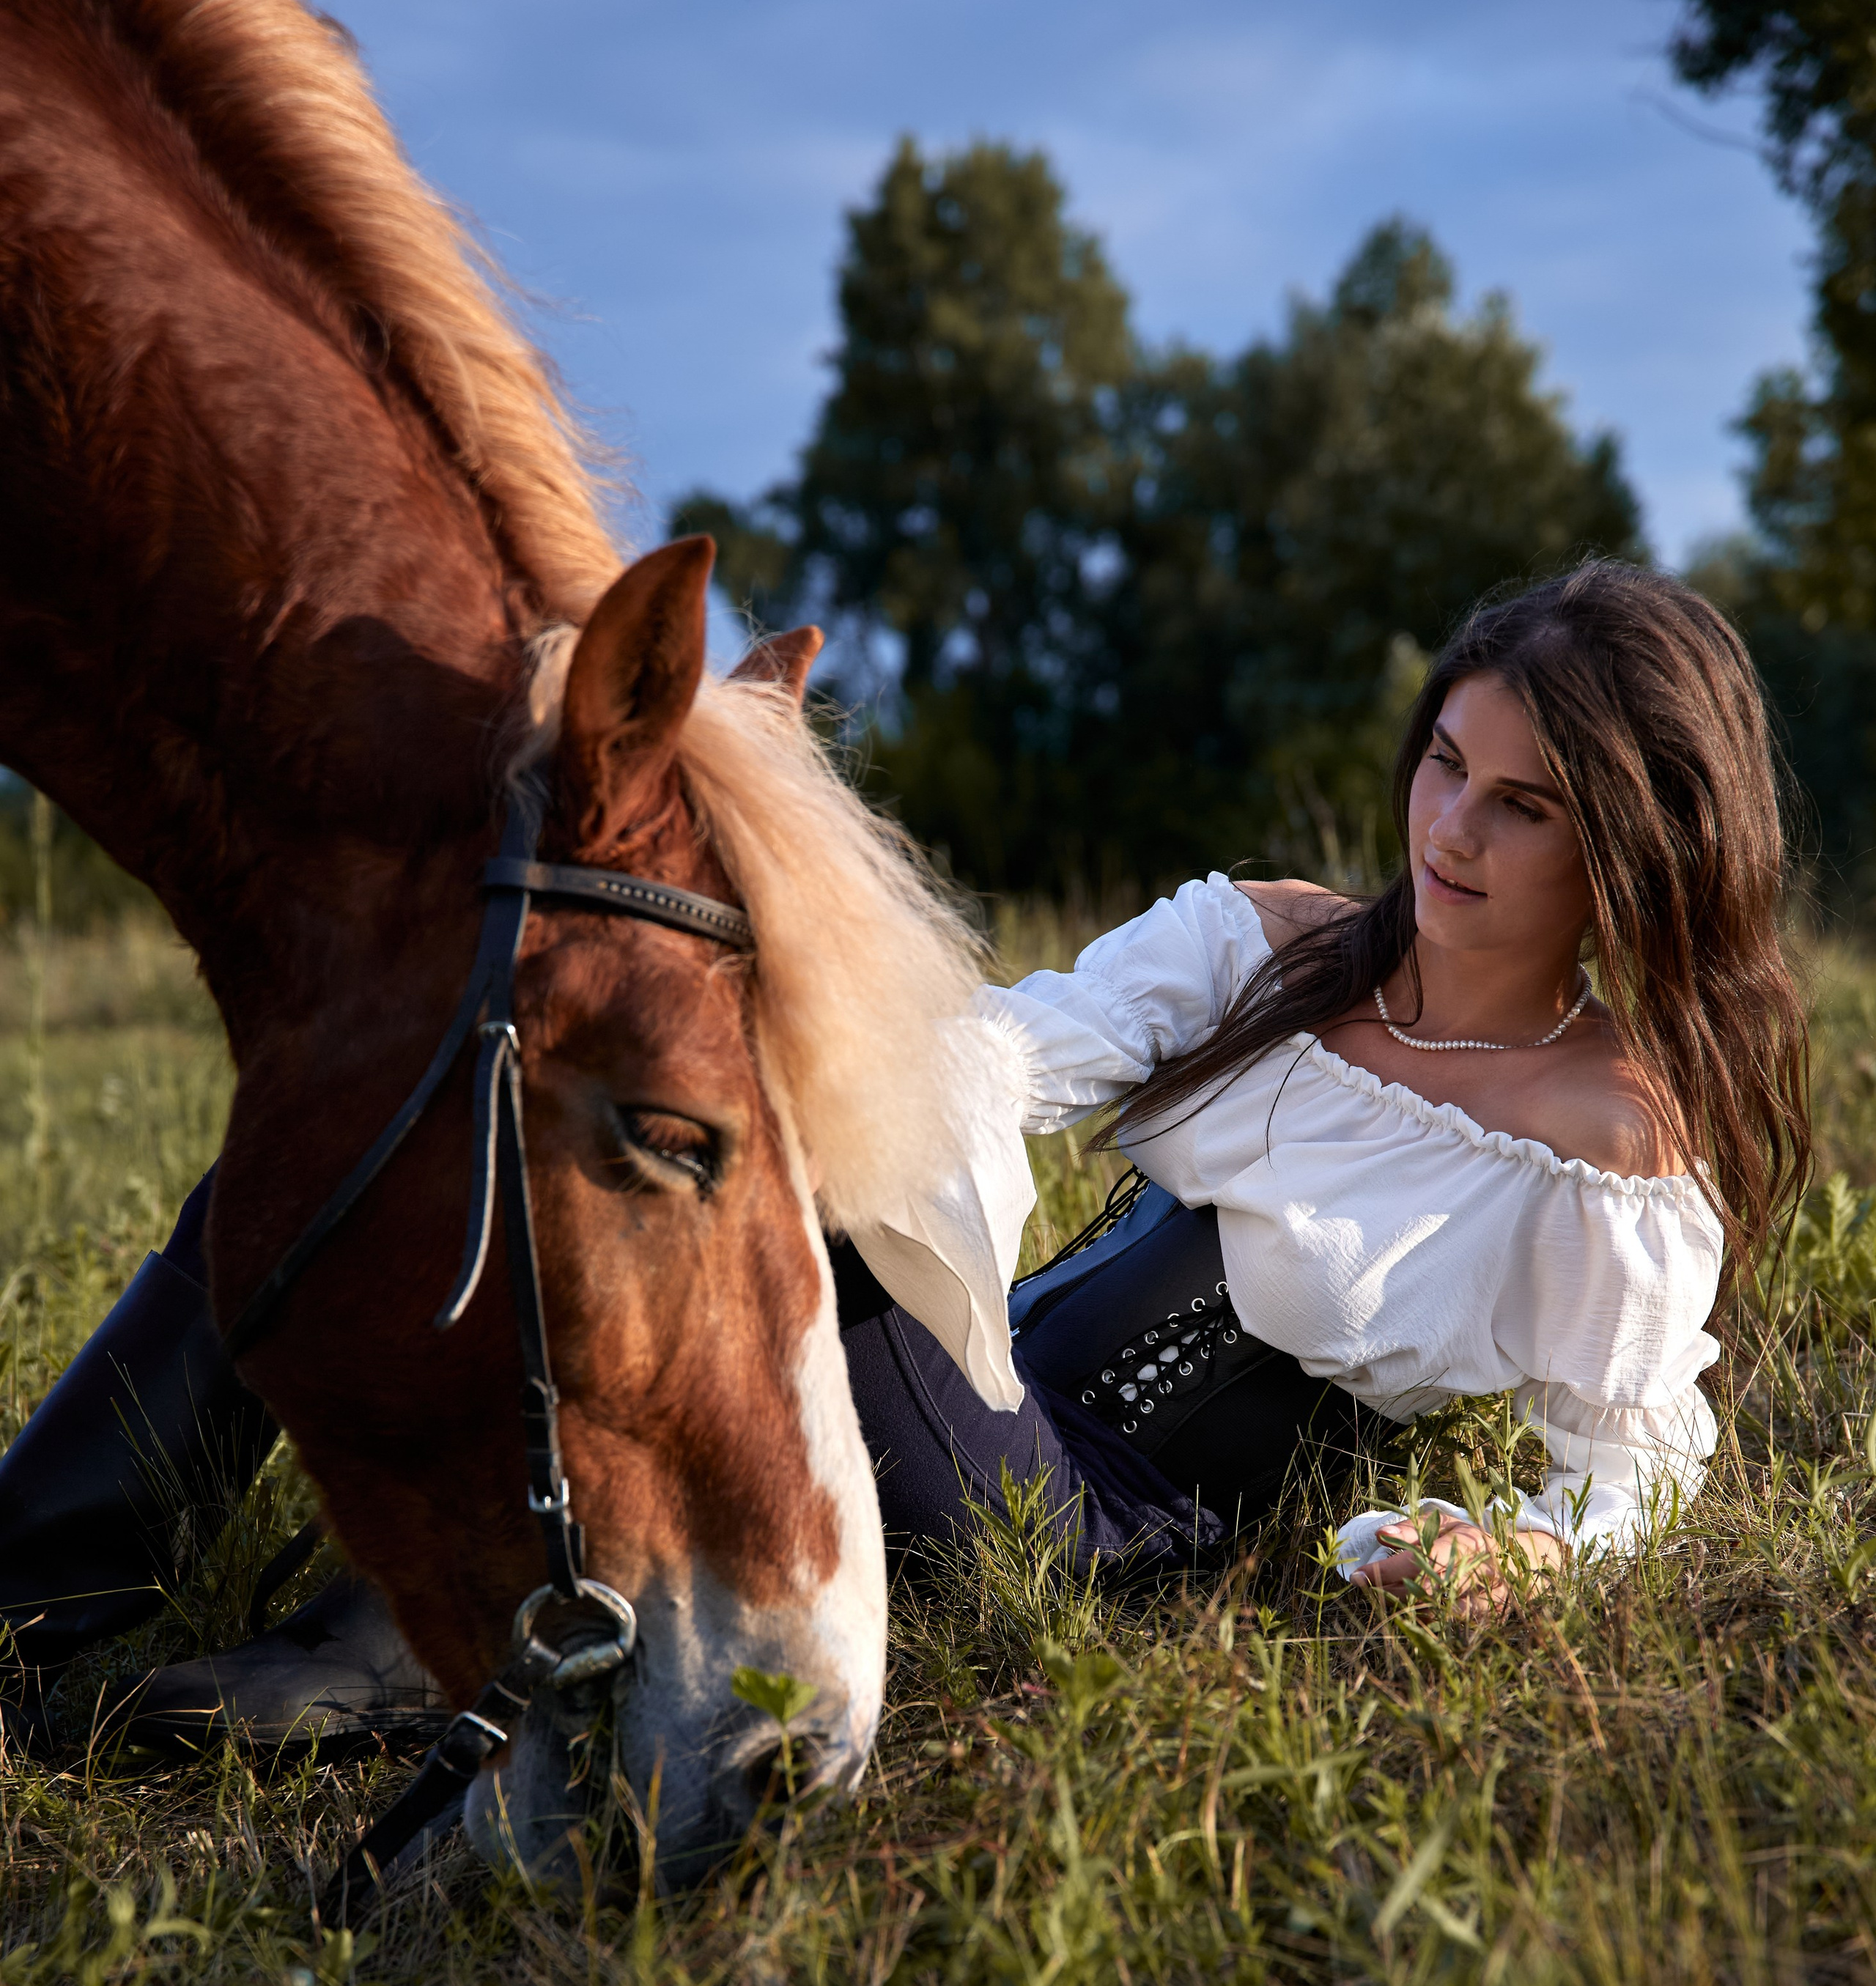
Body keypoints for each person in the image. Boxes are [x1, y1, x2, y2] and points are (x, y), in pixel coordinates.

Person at [0, 560, 1810, 1749]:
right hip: (974, 1382)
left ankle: (405, 1630)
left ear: (1635, 845)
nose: (1451, 828)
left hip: (1085, 1532)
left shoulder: (1602, 1142)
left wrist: (1512, 1559)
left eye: (1524, 804)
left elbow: (1635, 1473)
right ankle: (60, 1554)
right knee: (482, 1126)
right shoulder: (1270, 943)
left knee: (715, 1197)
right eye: (1442, 762)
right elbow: (998, 1053)